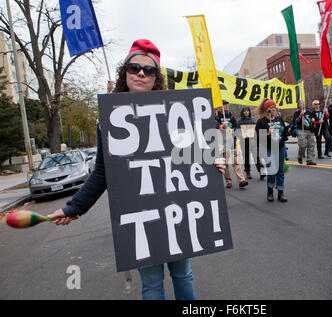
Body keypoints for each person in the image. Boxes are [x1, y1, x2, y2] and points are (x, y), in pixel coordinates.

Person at [48, 39, 227, 298]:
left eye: (149, 69)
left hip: (177, 210)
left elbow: (192, 155)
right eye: (134, 68)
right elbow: (102, 172)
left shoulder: (179, 111)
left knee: (183, 274)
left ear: (157, 78)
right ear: (125, 73)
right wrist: (74, 207)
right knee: (152, 283)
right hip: (141, 215)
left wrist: (213, 163)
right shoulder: (109, 120)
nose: (142, 73)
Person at [255, 98, 288, 202]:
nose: (273, 109)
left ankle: (280, 192)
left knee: (280, 170)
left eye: (274, 107)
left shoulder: (278, 119)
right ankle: (270, 190)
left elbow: (285, 133)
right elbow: (258, 138)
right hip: (268, 148)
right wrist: (267, 133)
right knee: (272, 170)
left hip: (280, 147)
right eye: (271, 107)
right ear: (266, 109)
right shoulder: (261, 122)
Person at [216, 100, 248, 189]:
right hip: (223, 144)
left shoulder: (231, 117)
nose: (226, 107)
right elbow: (214, 128)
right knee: (225, 164)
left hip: (232, 143)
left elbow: (236, 128)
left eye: (227, 105)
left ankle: (241, 180)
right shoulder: (217, 117)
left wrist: (231, 131)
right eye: (224, 105)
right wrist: (221, 127)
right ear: (220, 107)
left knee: (236, 162)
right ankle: (228, 181)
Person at [290, 100, 316, 165]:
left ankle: (309, 160)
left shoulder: (308, 112)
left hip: (309, 130)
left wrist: (313, 119)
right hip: (301, 130)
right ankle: (300, 156)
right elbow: (295, 122)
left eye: (303, 103)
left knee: (311, 145)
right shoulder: (297, 113)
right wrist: (300, 116)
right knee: (302, 145)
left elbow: (313, 118)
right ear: (298, 105)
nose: (302, 104)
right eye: (301, 103)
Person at [237, 106, 257, 180]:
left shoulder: (253, 120)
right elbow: (237, 130)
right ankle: (248, 172)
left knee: (256, 156)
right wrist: (242, 134)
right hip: (244, 142)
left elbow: (256, 130)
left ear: (249, 111)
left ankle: (260, 171)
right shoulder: (239, 121)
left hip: (253, 141)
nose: (246, 112)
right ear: (242, 112)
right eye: (244, 111)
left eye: (247, 111)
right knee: (246, 158)